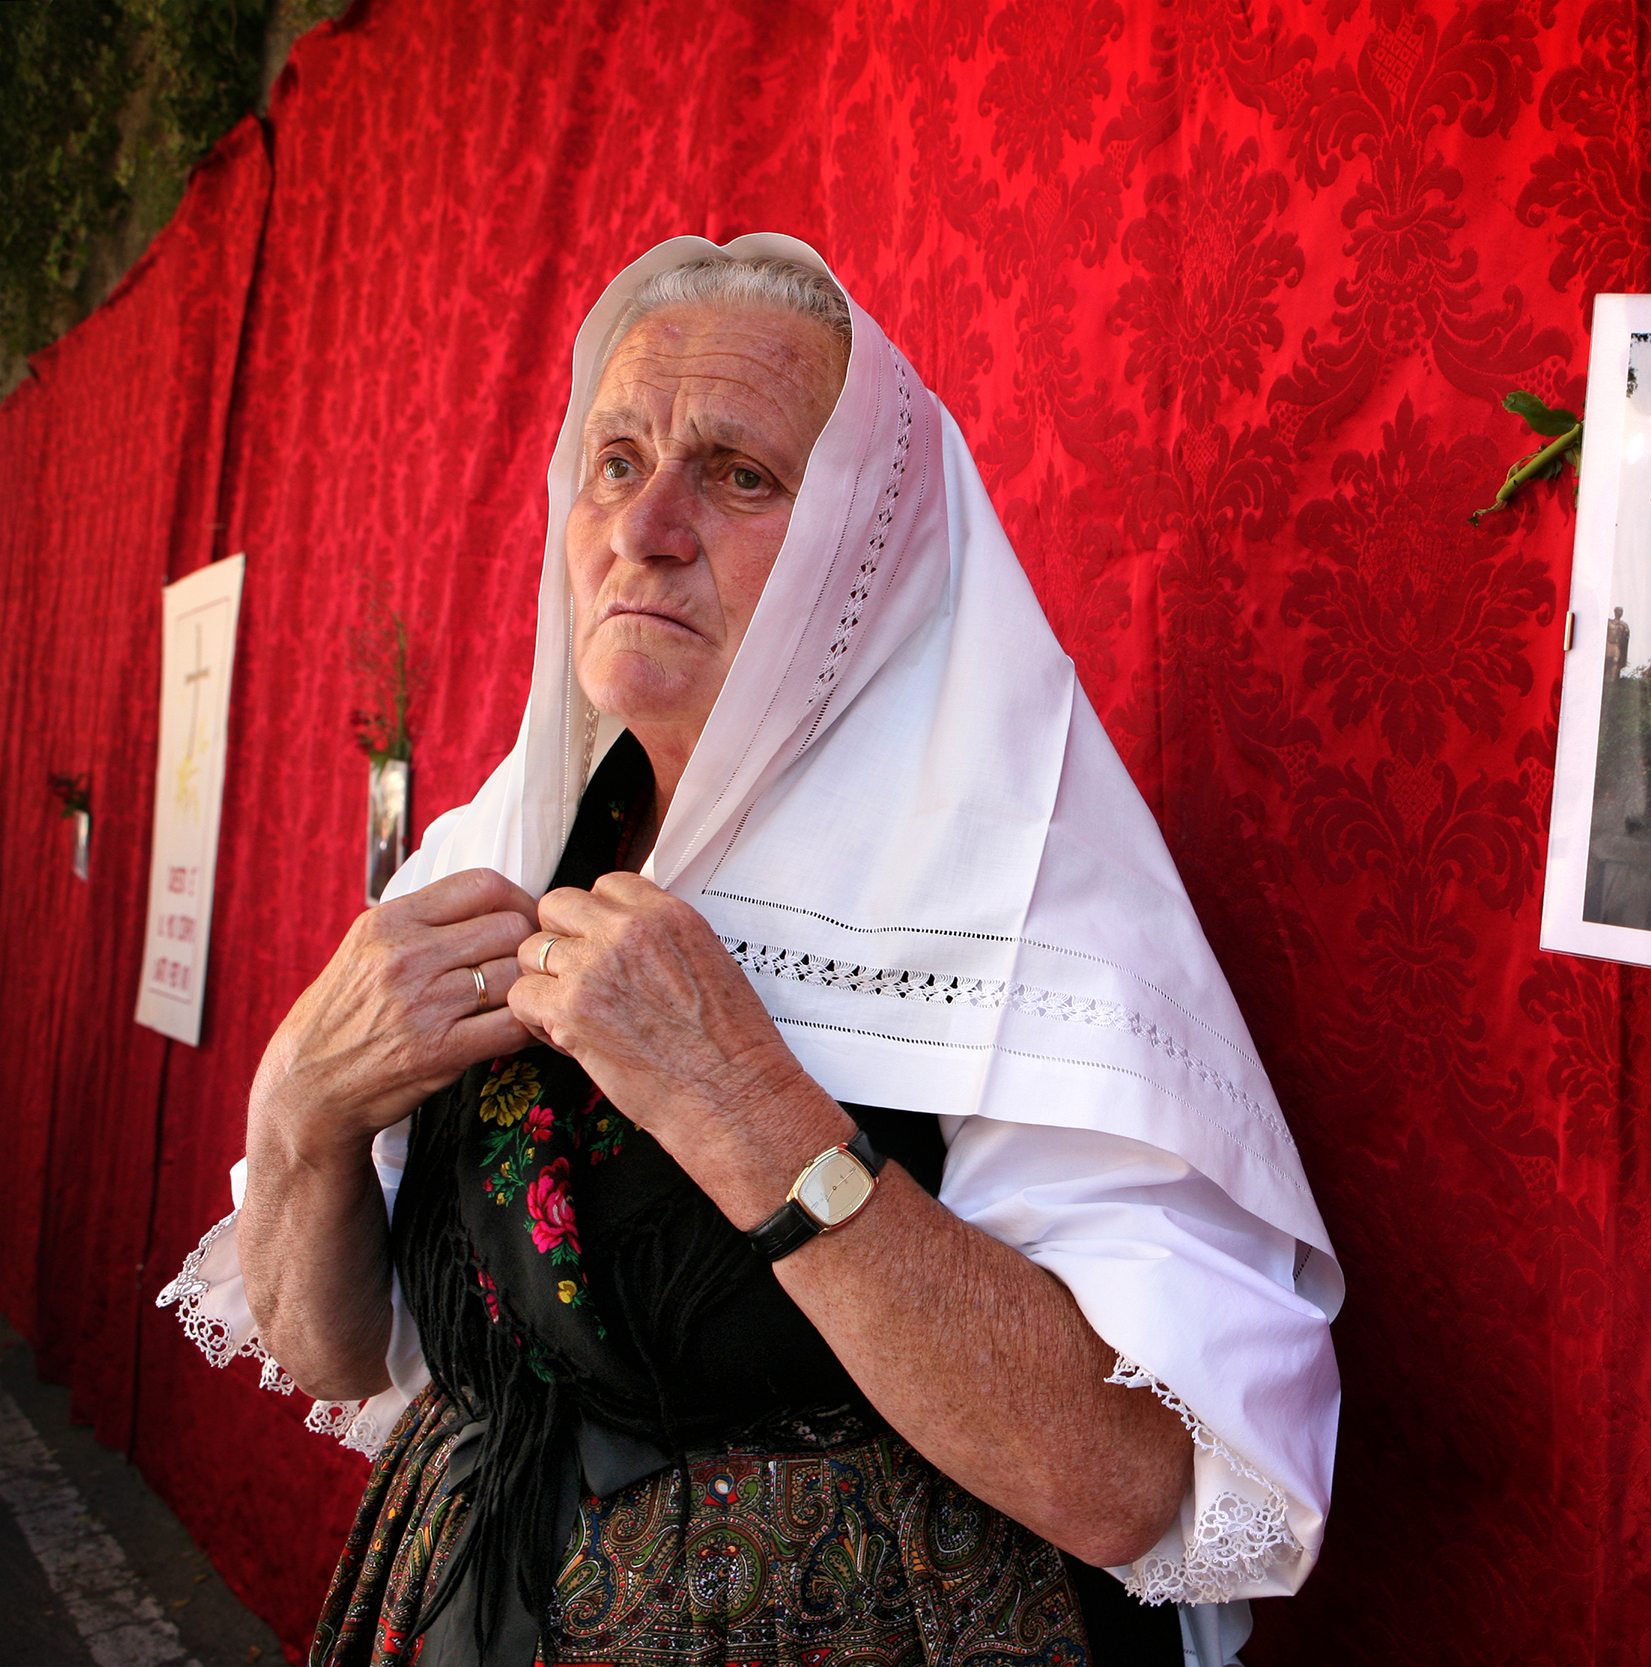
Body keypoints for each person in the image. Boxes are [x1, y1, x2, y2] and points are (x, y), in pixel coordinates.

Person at [158, 238, 1341, 1667]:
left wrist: (749, 1111)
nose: (644, 525)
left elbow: (1132, 1478)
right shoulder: (490, 859)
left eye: (739, 474)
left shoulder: (1022, 891)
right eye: (615, 458)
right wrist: (300, 1108)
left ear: (871, 551)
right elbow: (341, 1353)